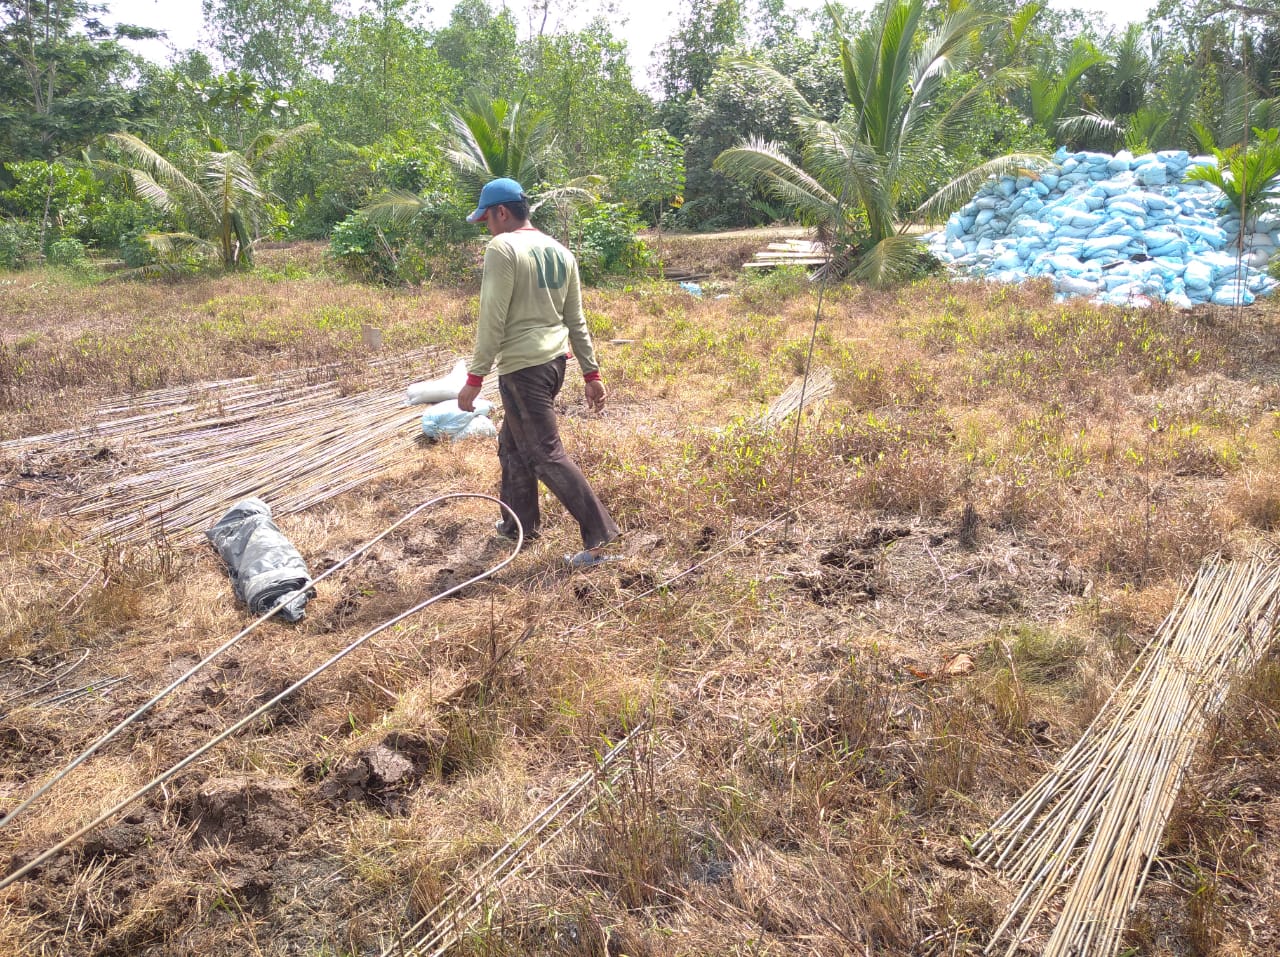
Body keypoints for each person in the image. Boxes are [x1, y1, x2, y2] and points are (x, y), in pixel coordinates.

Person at [455, 177, 620, 568]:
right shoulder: (560, 251)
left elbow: (491, 319)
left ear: (501, 212)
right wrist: (590, 373)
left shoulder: (503, 248)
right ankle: (519, 525)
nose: (488, 230)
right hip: (553, 364)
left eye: (487, 221)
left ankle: (602, 538)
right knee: (511, 446)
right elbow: (575, 318)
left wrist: (474, 379)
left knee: (545, 454)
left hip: (523, 368)